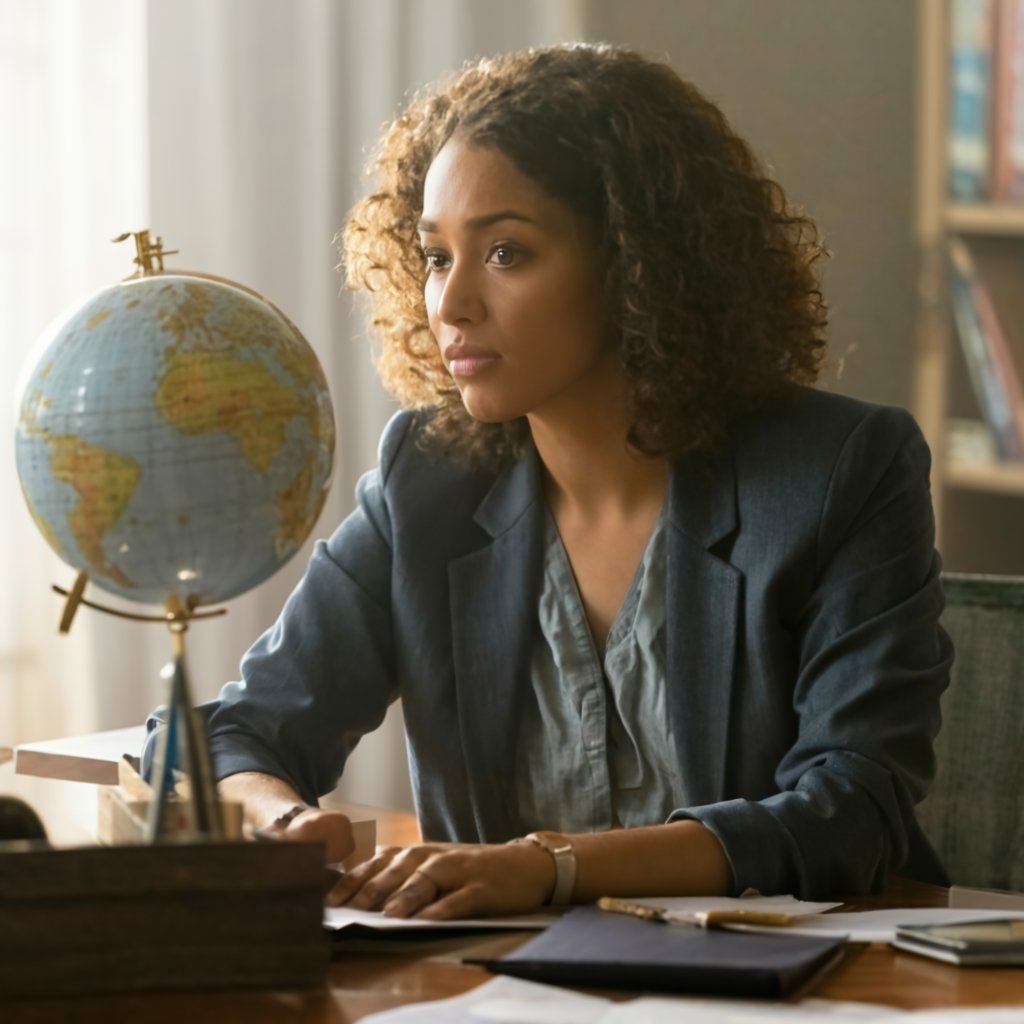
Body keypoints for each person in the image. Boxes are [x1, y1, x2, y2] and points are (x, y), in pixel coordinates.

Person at [147, 42, 952, 918]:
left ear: (639, 261)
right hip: (502, 987)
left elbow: (852, 811)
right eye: (435, 257)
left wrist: (549, 866)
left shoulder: (840, 471)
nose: (451, 305)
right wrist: (280, 824)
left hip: (801, 986)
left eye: (505, 254)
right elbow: (220, 735)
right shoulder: (429, 480)